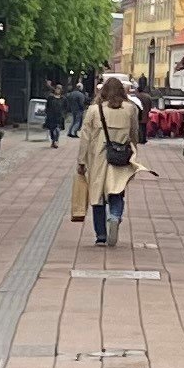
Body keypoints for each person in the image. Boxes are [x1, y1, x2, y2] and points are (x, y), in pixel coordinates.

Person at [72, 72, 146, 244]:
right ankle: (114, 216)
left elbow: (85, 138)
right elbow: (134, 133)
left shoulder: (94, 110)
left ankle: (101, 236)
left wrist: (81, 161)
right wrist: (133, 151)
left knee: (97, 197)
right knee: (117, 190)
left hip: (99, 158)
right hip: (121, 156)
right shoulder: (130, 109)